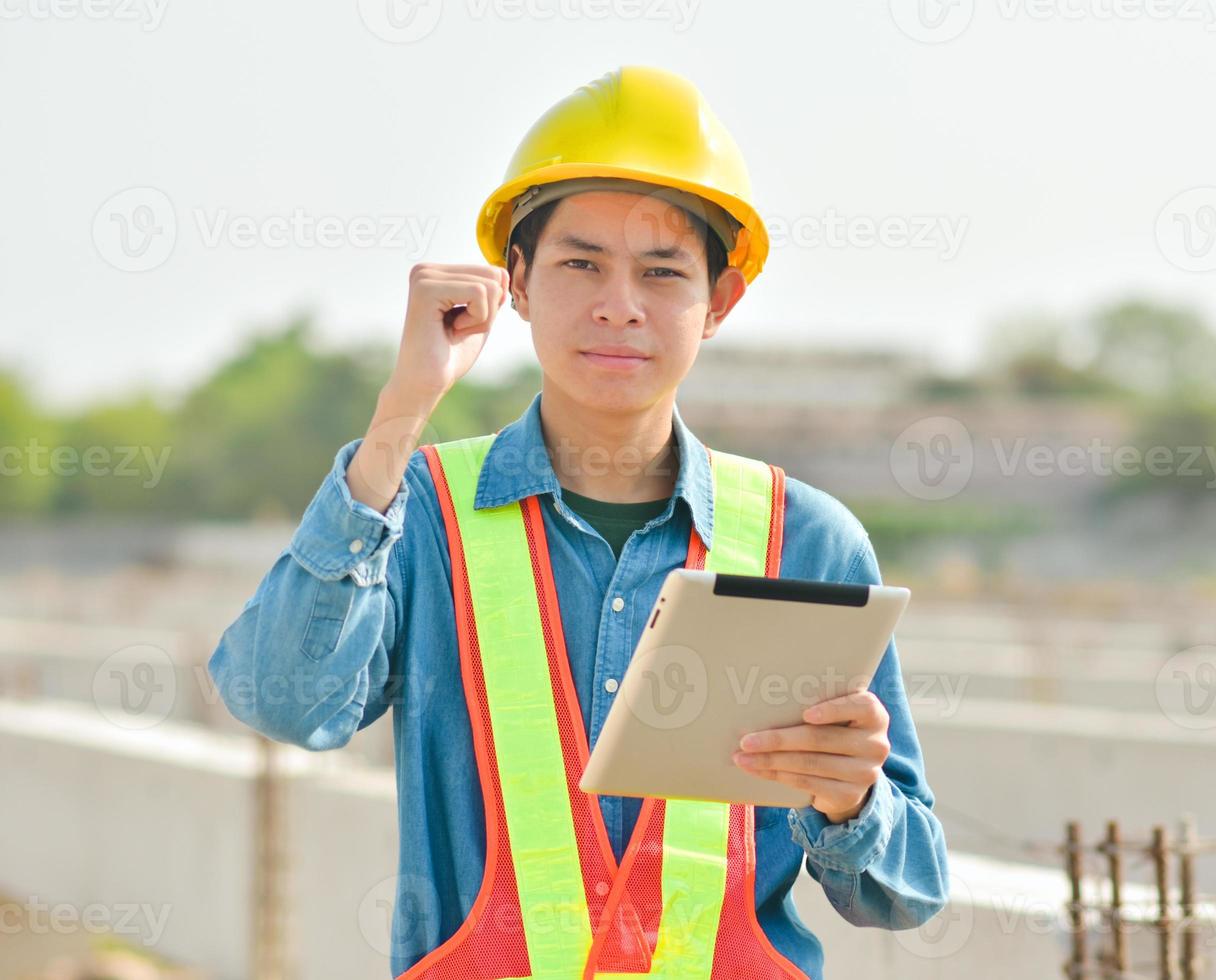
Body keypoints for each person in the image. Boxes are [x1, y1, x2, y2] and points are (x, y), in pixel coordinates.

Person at [208, 64, 949, 979]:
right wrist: (400, 414)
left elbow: (906, 891)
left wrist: (852, 803)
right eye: (579, 262)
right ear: (514, 281)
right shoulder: (422, 516)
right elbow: (282, 701)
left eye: (663, 272)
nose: (618, 304)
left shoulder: (807, 541)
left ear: (719, 302)